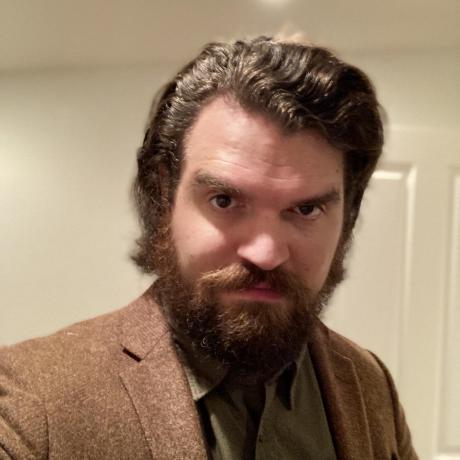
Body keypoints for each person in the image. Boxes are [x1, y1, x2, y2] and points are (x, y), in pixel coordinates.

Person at [0, 36, 418, 459]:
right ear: (164, 197)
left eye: (306, 209)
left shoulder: (370, 383)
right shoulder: (30, 405)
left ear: (347, 218)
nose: (266, 253)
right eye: (224, 201)